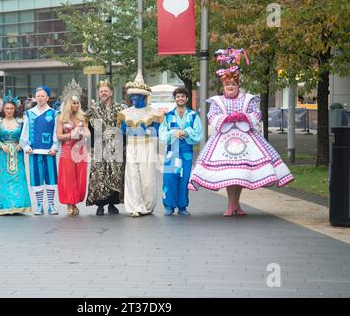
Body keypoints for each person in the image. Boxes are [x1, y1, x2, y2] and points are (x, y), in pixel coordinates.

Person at [188, 48, 294, 217]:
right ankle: (231, 205)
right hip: (223, 140)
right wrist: (226, 119)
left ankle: (236, 204)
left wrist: (244, 116)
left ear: (238, 85)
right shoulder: (217, 101)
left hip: (248, 139)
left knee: (241, 174)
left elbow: (256, 114)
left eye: (233, 84)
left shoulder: (248, 99)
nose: (230, 86)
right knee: (231, 173)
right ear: (223, 86)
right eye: (227, 84)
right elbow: (212, 116)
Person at [118, 71, 164, 218]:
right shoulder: (126, 112)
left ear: (144, 97)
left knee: (147, 177)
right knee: (132, 175)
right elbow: (122, 130)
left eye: (137, 96)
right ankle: (136, 206)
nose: (134, 98)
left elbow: (157, 131)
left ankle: (147, 205)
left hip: (147, 146)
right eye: (132, 96)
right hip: (132, 145)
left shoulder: (153, 113)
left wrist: (148, 130)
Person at [84, 80, 127, 216]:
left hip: (116, 145)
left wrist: (124, 144)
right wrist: (90, 146)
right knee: (99, 176)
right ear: (98, 93)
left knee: (115, 174)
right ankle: (100, 205)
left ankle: (112, 204)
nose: (103, 93)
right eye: (101, 91)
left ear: (111, 92)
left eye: (105, 91)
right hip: (99, 146)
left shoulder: (120, 109)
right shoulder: (93, 109)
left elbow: (124, 127)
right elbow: (89, 128)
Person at [159, 87, 203, 216]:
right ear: (175, 99)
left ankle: (182, 207)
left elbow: (198, 133)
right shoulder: (168, 116)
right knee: (169, 179)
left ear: (187, 98)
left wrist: (186, 132)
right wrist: (174, 133)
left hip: (186, 154)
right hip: (171, 153)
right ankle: (169, 206)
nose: (180, 98)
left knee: (184, 180)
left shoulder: (193, 116)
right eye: (178, 96)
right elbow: (162, 134)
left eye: (183, 96)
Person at [0, 100, 32, 215]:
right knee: (2, 179)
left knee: (18, 179)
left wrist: (22, 144)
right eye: (7, 108)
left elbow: (26, 137)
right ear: (3, 110)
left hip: (18, 155)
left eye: (11, 108)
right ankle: (1, 206)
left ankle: (18, 206)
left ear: (15, 110)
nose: (9, 111)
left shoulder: (21, 123)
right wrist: (1, 145)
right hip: (3, 156)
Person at [20, 85, 60, 215]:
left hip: (49, 152)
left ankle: (51, 205)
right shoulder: (29, 113)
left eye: (43, 96)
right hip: (34, 152)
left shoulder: (54, 113)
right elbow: (24, 132)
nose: (40, 98)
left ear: (47, 97)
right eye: (38, 96)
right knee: (36, 178)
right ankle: (39, 205)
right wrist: (26, 146)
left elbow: (56, 132)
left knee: (51, 178)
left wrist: (55, 146)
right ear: (35, 98)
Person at [56, 80, 90, 216]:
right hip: (67, 150)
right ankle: (70, 205)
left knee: (79, 178)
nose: (76, 105)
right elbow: (58, 136)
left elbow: (88, 133)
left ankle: (75, 202)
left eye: (77, 103)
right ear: (69, 104)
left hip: (80, 151)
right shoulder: (61, 118)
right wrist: (70, 134)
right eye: (73, 103)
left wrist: (83, 133)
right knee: (68, 177)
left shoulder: (83, 117)